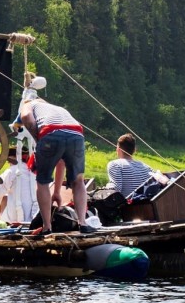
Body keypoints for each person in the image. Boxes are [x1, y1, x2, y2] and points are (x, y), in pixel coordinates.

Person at [17, 93, 89, 234]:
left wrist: (38, 138)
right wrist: (56, 191)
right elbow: (60, 160)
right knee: (78, 181)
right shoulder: (56, 108)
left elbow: (25, 117)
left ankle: (47, 227)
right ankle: (83, 223)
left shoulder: (29, 104)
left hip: (50, 132)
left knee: (42, 181)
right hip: (76, 133)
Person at [106, 133, 168, 198]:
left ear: (118, 149)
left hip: (127, 206)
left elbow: (115, 189)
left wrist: (104, 189)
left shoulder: (115, 165)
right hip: (144, 204)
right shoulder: (147, 167)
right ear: (134, 150)